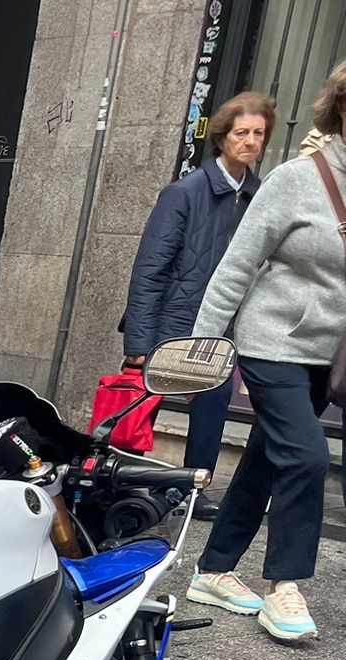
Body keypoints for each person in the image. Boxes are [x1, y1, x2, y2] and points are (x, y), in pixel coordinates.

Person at [185, 63, 346, 645]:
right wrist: (202, 344)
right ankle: (285, 585)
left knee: (263, 459)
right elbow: (237, 266)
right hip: (272, 339)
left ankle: (211, 570)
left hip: (327, 353)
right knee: (305, 457)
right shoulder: (294, 179)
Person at [120, 92, 274, 489]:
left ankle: (192, 489)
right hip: (171, 322)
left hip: (219, 328)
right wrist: (138, 341)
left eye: (259, 133)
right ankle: (122, 481)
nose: (251, 141)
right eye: (242, 132)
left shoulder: (260, 199)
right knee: (142, 409)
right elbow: (150, 269)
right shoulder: (184, 192)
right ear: (222, 137)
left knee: (212, 408)